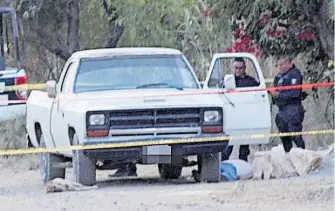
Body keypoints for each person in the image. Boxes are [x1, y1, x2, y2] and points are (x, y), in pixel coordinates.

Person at [221, 57, 260, 162]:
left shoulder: (251, 81)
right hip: (231, 117)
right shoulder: (227, 80)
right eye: (235, 68)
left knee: (244, 149)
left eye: (240, 68)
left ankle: (244, 166)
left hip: (245, 117)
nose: (238, 70)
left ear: (244, 68)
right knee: (227, 147)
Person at [269, 56, 306, 153]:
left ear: (290, 63)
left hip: (293, 109)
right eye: (279, 65)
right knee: (285, 137)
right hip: (282, 110)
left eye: (282, 64)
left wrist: (279, 95)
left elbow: (295, 93)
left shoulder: (294, 74)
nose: (280, 67)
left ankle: (303, 156)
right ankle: (288, 156)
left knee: (296, 135)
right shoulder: (279, 77)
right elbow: (275, 90)